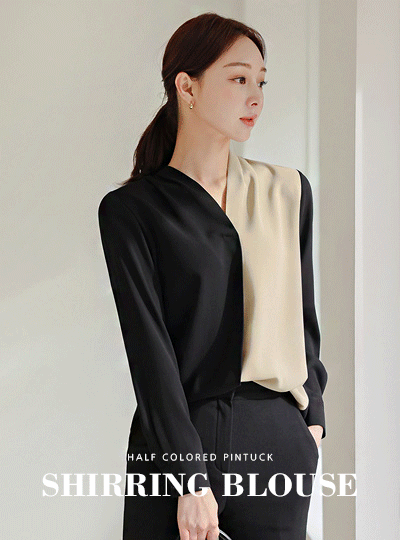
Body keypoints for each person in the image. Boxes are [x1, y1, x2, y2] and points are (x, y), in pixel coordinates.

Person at [98, 11, 328, 540]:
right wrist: (189, 478)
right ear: (187, 87)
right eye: (238, 79)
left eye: (261, 82)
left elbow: (303, 318)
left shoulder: (288, 191)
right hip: (179, 440)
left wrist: (312, 420)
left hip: (277, 440)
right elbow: (150, 353)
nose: (256, 97)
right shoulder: (133, 210)